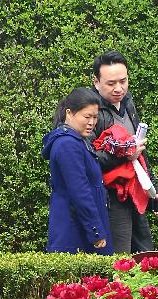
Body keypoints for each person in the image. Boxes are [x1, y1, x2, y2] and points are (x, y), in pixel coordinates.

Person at [89, 50, 158, 253]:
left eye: (123, 81)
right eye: (111, 83)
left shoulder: (128, 103)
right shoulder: (90, 110)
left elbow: (140, 153)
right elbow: (89, 158)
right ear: (96, 82)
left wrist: (153, 190)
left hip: (135, 190)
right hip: (111, 196)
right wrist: (123, 156)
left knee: (145, 253)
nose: (119, 88)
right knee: (120, 256)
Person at [42, 88, 113, 255]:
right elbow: (79, 190)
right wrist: (95, 231)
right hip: (75, 230)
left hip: (81, 227)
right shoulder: (68, 144)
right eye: (87, 117)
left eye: (95, 117)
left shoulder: (78, 141)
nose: (92, 122)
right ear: (69, 113)